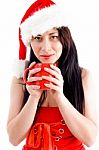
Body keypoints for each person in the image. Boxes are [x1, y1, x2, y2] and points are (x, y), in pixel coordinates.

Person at [7, 0, 98, 149]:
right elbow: (13, 139)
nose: (46, 47)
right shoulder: (20, 80)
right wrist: (34, 97)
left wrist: (60, 97)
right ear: (30, 42)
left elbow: (90, 138)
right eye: (38, 38)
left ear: (64, 38)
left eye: (53, 36)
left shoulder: (83, 76)